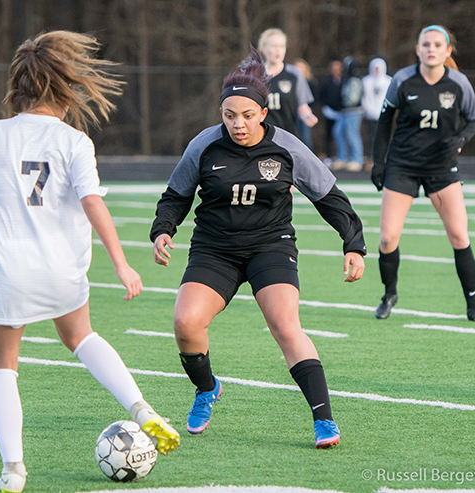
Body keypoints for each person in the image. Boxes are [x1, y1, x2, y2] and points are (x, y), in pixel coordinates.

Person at [0, 31, 180, 493]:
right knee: (81, 336)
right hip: (61, 271)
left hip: (6, 273)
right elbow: (93, 203)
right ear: (64, 92)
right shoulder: (74, 142)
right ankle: (142, 409)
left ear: (17, 89)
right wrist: (122, 264)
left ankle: (13, 471)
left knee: (2, 365)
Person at [149, 47, 366, 449]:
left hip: (271, 245)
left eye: (247, 116)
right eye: (229, 116)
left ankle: (324, 420)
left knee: (285, 325)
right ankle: (206, 388)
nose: (238, 124)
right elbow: (176, 195)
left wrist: (353, 243)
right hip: (215, 249)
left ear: (263, 113)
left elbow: (329, 197)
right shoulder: (204, 146)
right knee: (186, 323)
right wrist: (163, 230)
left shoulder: (287, 147)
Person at [371, 25, 475, 323]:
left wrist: (460, 140)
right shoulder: (402, 79)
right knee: (387, 239)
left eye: (438, 45)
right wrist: (379, 163)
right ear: (418, 49)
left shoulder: (458, 83)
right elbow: (384, 123)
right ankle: (389, 294)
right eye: (426, 44)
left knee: (460, 235)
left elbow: (474, 119)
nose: (431, 49)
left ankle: (473, 306)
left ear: (447, 51)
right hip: (403, 164)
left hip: (441, 167)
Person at [258, 28, 318, 138]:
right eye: (274, 46)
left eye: (281, 46)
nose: (278, 50)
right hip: (261, 137)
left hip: (287, 136)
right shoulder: (255, 76)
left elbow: (302, 105)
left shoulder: (294, 74)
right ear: (263, 48)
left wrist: (307, 116)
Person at [332, 56, 364, 172]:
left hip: (353, 111)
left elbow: (353, 99)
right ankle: (343, 157)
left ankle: (358, 159)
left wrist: (343, 102)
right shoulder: (347, 80)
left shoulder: (355, 80)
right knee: (338, 132)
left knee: (353, 134)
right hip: (345, 111)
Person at [361, 58, 392, 170]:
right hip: (370, 114)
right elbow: (364, 98)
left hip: (384, 115)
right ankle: (370, 159)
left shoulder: (389, 81)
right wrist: (368, 110)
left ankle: (383, 158)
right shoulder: (366, 81)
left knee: (383, 137)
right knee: (371, 138)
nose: (376, 70)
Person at [318, 58, 343, 164]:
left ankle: (341, 157)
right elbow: (321, 96)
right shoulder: (326, 81)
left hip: (342, 113)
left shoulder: (344, 81)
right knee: (328, 134)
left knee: (341, 135)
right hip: (329, 112)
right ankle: (329, 156)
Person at [293, 58, 319, 151]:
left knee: (306, 137)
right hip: (293, 114)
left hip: (306, 114)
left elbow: (314, 100)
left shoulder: (311, 83)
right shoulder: (290, 83)